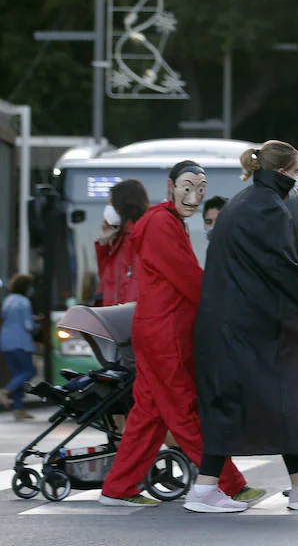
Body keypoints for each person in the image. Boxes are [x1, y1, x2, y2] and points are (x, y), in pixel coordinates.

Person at [188, 141, 298, 513]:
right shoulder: (269, 209)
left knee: (275, 401)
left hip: (234, 324)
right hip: (248, 326)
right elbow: (285, 272)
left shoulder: (244, 202)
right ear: (284, 171)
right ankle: (204, 490)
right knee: (255, 402)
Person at [99, 161, 261, 508]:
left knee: (150, 413)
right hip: (165, 333)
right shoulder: (162, 223)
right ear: (170, 186)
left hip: (160, 329)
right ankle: (228, 485)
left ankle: (118, 488)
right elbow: (186, 276)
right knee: (184, 410)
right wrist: (225, 306)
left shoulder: (167, 221)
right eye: (187, 187)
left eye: (200, 189)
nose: (194, 196)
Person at [96, 180, 150, 306]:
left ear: (122, 206)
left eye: (111, 203)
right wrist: (103, 243)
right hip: (113, 315)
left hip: (124, 318)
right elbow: (107, 281)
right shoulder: (120, 238)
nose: (107, 209)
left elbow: (136, 283)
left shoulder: (138, 236)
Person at [1, 274, 39, 421]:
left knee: (18, 374)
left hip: (6, 342)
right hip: (21, 342)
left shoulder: (8, 300)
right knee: (29, 370)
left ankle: (19, 409)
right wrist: (37, 325)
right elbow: (28, 325)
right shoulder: (24, 302)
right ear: (26, 287)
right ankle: (6, 390)